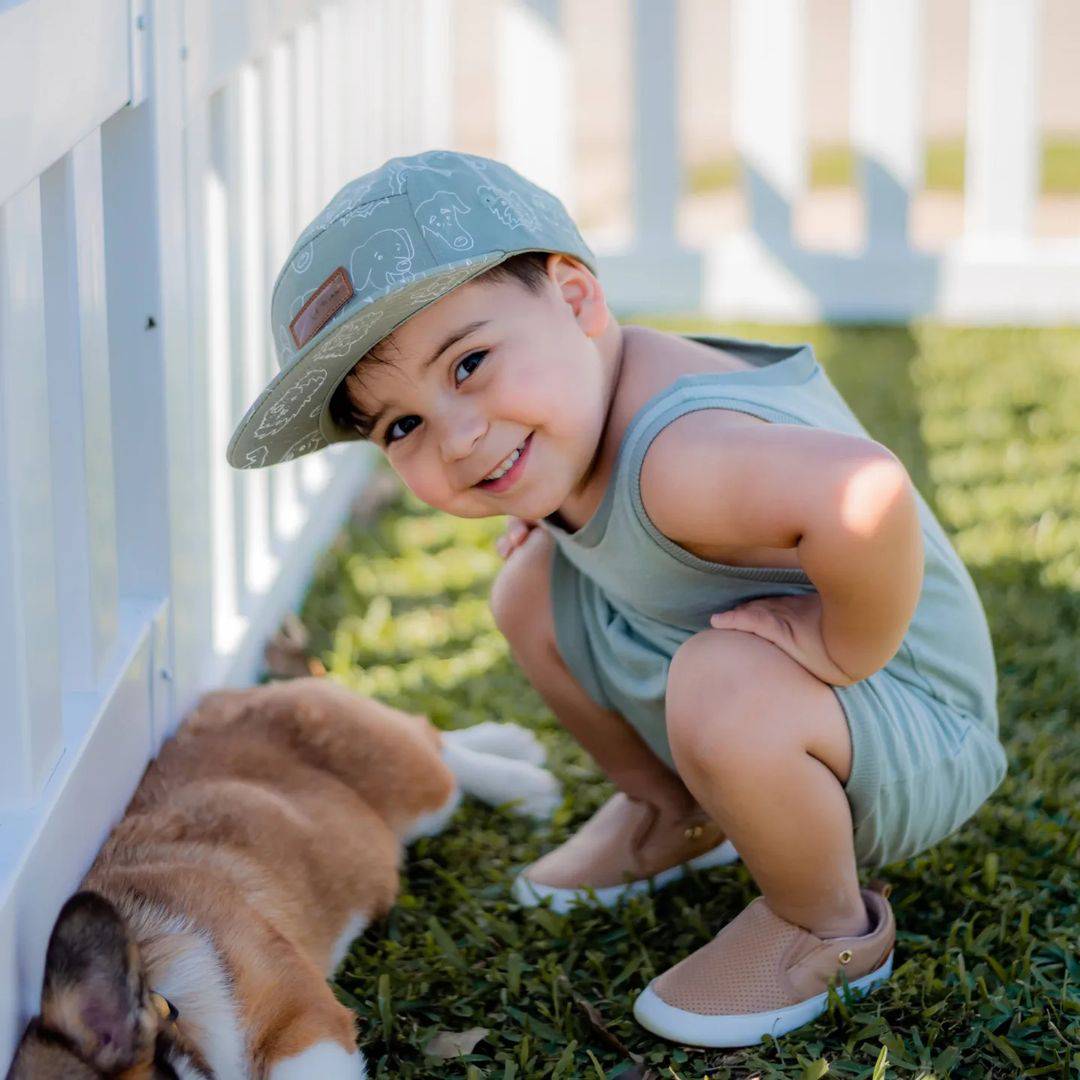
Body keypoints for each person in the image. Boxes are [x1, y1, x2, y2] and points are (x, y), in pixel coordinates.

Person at [228, 149, 1008, 1048]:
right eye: (402, 426)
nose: (459, 437)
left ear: (575, 299)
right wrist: (553, 515)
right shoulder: (579, 414)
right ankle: (676, 810)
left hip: (914, 726)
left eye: (470, 363)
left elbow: (867, 492)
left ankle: (826, 925)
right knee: (528, 589)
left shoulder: (684, 459)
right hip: (769, 685)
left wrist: (844, 646)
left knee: (721, 683)